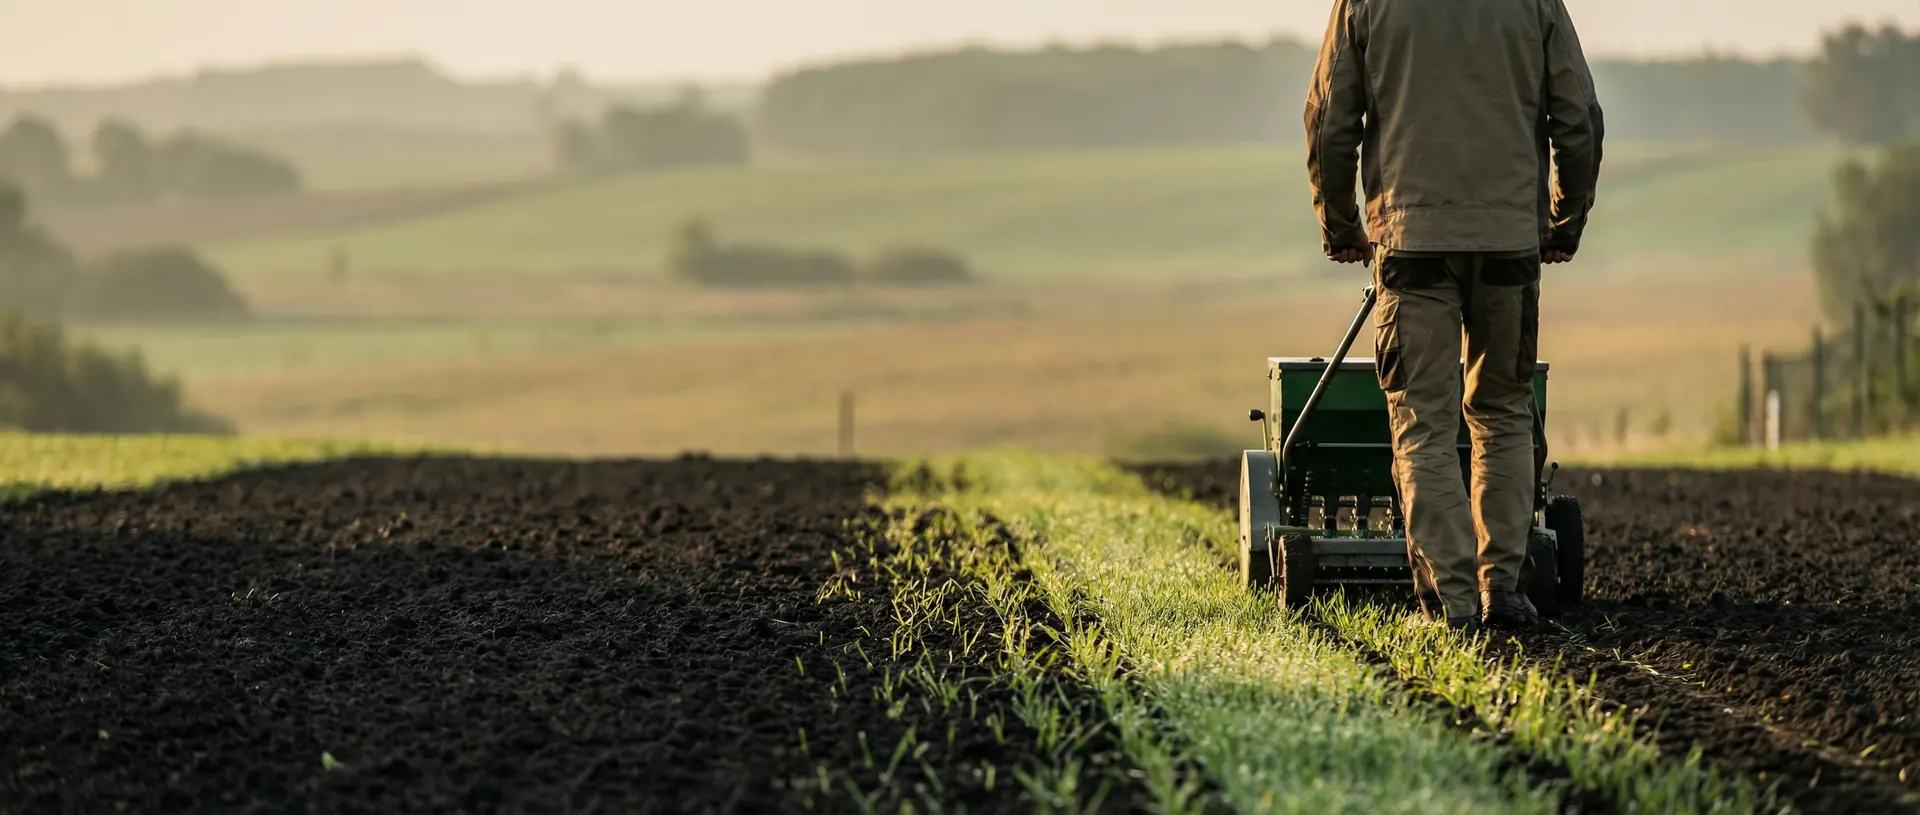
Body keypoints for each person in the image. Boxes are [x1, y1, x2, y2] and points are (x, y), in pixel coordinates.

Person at [1303, 0, 1603, 631]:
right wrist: (1563, 222)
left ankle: (1453, 602)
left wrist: (1340, 223)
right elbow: (1578, 120)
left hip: (1411, 242)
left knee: (1424, 423)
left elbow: (1331, 119)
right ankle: (1505, 592)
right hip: (1508, 245)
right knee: (1503, 412)